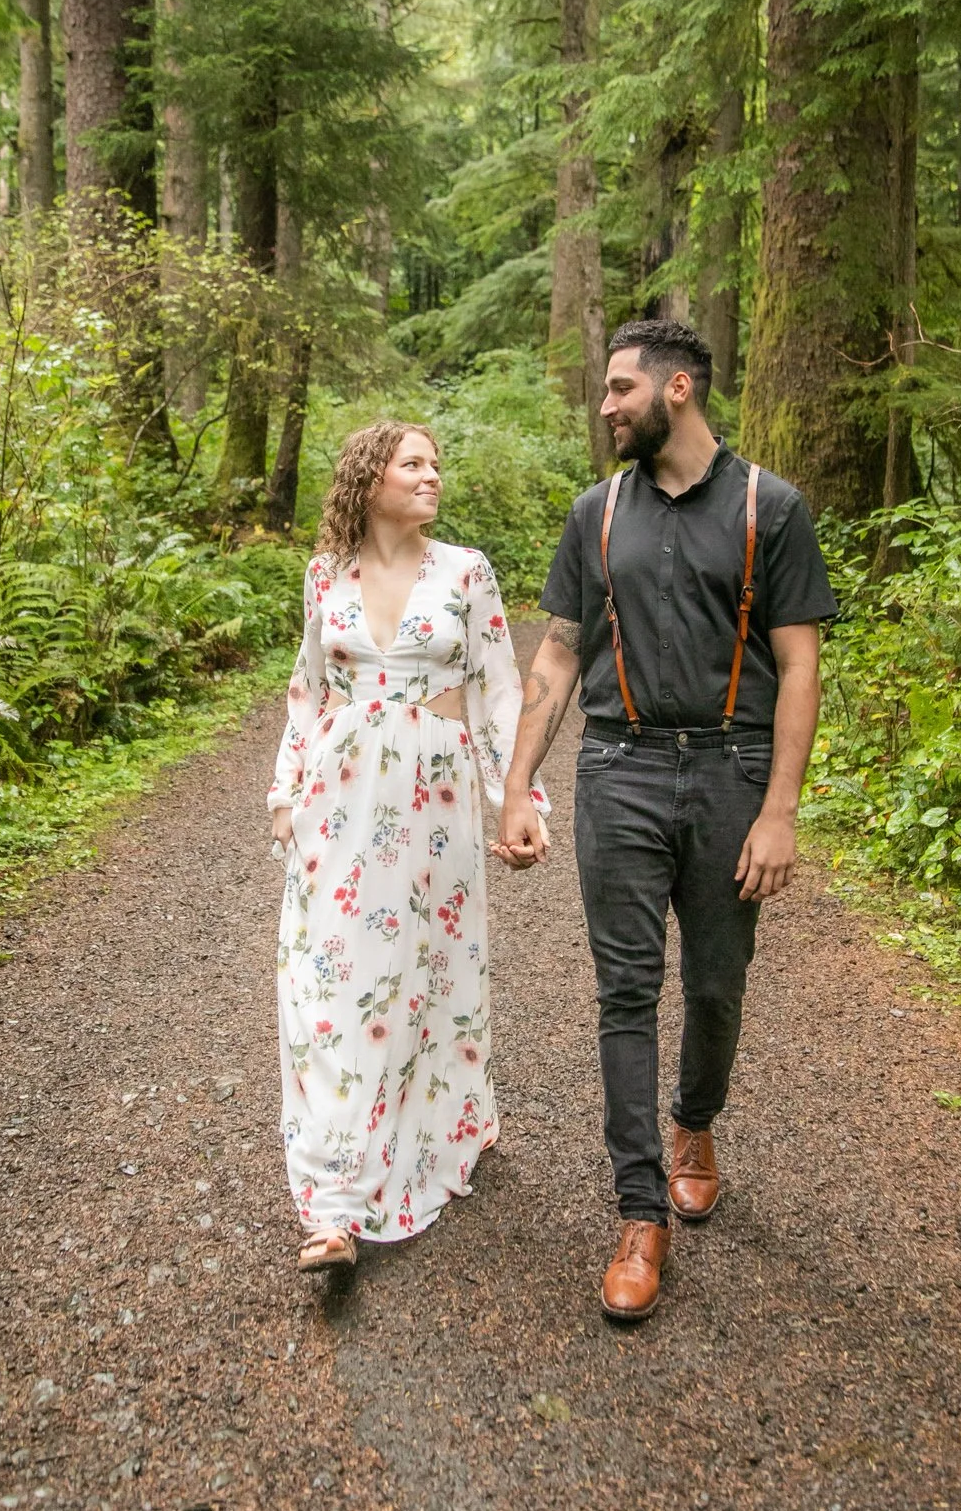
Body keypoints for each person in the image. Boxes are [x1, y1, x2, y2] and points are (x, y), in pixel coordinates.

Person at [495, 321, 837, 1322]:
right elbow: (557, 654)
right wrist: (518, 783)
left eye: (618, 388)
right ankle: (638, 1209)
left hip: (731, 771)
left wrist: (779, 811)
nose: (604, 405)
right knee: (625, 991)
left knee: (717, 983)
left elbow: (801, 662)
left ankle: (695, 1120)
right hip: (618, 769)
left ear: (676, 389)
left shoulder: (769, 506)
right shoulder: (593, 513)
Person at [268, 421, 549, 1270]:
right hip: (339, 798)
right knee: (334, 976)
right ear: (369, 477)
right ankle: (338, 1203)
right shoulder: (326, 575)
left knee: (431, 970)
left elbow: (499, 693)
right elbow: (307, 691)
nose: (432, 476)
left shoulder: (466, 571)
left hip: (434, 801)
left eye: (437, 464)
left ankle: (455, 1116)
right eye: (414, 463)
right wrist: (285, 794)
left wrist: (520, 801)